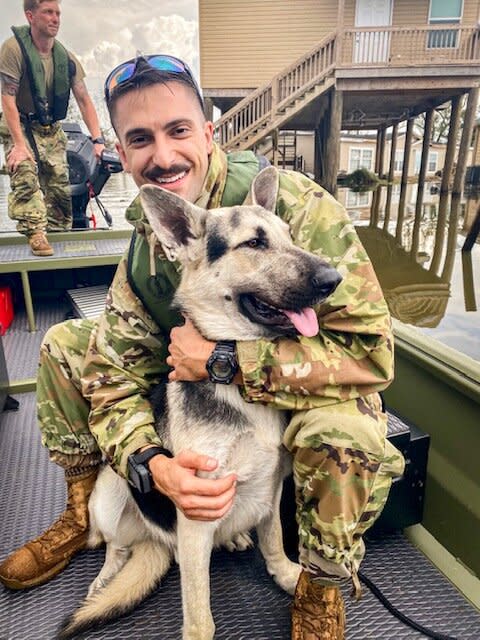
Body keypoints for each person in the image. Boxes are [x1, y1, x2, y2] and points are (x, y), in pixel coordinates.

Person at [0, 54, 404, 639]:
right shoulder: (157, 233)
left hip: (315, 377)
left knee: (345, 435)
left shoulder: (294, 205)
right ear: (123, 149)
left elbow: (372, 356)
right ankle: (84, 514)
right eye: (140, 139)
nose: (162, 156)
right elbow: (111, 369)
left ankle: (319, 583)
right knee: (66, 341)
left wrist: (223, 361)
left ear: (208, 132)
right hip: (204, 389)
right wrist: (151, 465)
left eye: (178, 130)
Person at [0, 0, 105, 257]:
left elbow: (84, 99)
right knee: (25, 173)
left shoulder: (65, 58)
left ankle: (59, 236)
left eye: (57, 13)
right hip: (20, 124)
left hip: (51, 129)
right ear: (30, 16)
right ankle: (35, 232)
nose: (55, 18)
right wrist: (20, 145)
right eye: (48, 12)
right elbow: (7, 99)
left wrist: (99, 140)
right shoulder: (13, 50)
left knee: (59, 188)